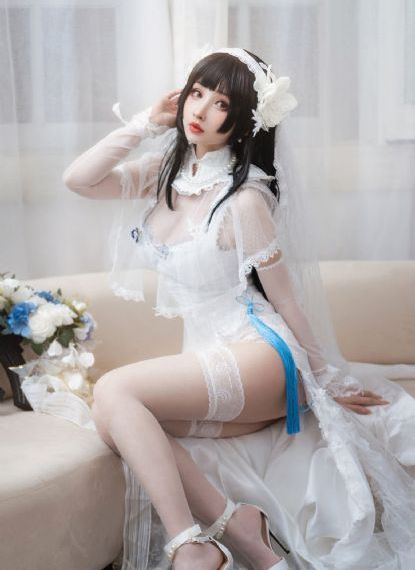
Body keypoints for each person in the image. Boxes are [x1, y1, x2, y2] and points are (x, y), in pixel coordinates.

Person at [62, 48, 415, 570]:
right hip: (211, 357)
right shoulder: (165, 174)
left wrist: (326, 378)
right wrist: (144, 123)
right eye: (197, 92)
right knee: (118, 419)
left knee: (114, 390)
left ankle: (190, 544)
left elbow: (286, 299)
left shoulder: (244, 198)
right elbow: (79, 179)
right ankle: (242, 530)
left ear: (246, 118)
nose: (200, 109)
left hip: (260, 354)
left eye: (222, 102)